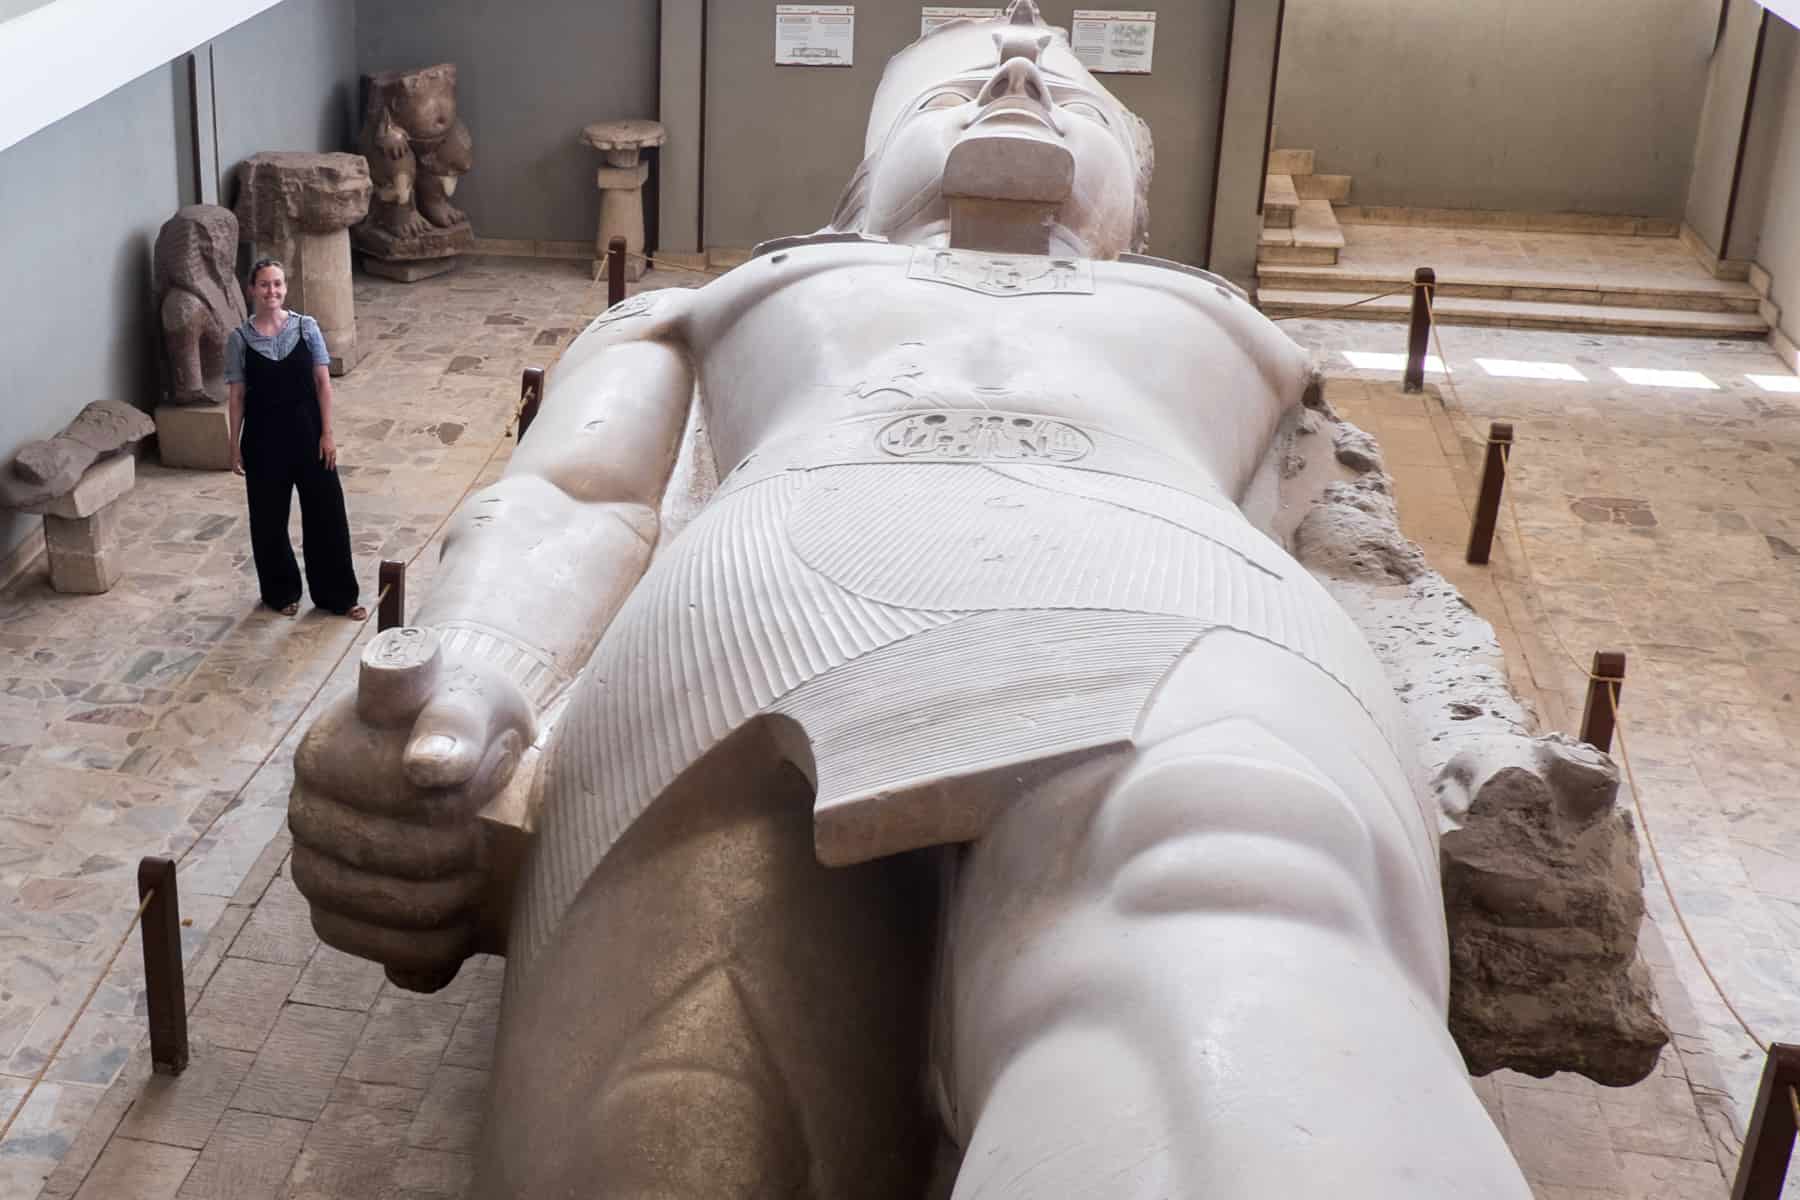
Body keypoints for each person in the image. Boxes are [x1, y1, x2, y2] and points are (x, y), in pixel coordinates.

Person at [288, 4, 1534, 1197]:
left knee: (1237, 945)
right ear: (863, 190)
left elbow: (1351, 550)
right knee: (669, 1122)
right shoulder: (731, 297)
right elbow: (576, 494)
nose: (1018, 76)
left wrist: (1472, 748)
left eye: (1068, 94)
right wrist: (470, 674)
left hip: (1172, 603)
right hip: (764, 612)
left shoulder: (1214, 316)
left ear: (1136, 217)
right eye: (957, 86)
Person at [224, 259, 365, 620]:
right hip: (263, 443)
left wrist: (328, 435)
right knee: (268, 521)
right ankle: (280, 592)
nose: (272, 291)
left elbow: (323, 383)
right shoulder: (239, 340)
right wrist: (233, 443)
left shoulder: (307, 328)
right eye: (264, 285)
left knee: (328, 515)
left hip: (310, 439)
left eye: (278, 284)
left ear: (285, 288)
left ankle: (339, 596)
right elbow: (237, 396)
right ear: (252, 290)